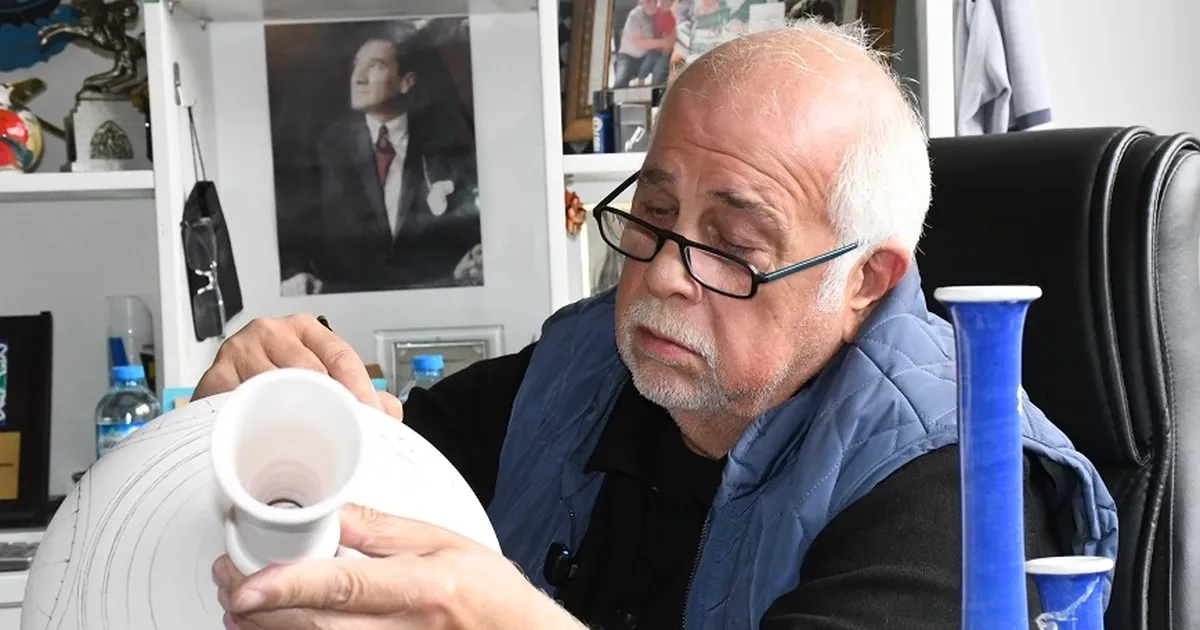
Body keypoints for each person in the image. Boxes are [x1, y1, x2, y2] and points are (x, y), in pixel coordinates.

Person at [201, 19, 1118, 630]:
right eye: (655, 212)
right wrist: (263, 415)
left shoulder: (957, 489)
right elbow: (370, 473)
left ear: (865, 282)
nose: (666, 275)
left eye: (734, 245)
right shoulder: (581, 368)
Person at [278, 26, 482, 296]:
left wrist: (468, 265)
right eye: (356, 65)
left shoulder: (443, 145)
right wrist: (296, 273)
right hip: (341, 302)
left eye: (375, 66)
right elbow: (294, 231)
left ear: (406, 82)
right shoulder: (323, 148)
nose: (358, 78)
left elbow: (468, 230)